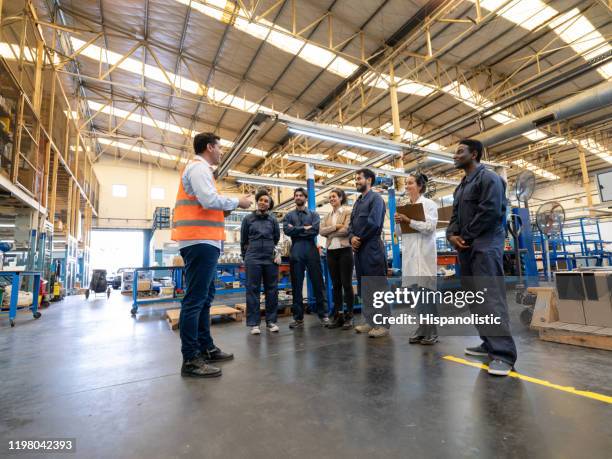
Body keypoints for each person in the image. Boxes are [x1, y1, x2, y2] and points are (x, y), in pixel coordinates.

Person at [172, 132, 252, 378]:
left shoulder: (203, 171)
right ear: (209, 147)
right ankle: (191, 358)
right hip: (198, 240)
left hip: (205, 240)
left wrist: (224, 210)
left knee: (205, 297)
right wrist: (237, 201)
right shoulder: (198, 168)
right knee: (195, 299)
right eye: (219, 147)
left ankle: (205, 347)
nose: (221, 152)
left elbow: (207, 204)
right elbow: (208, 200)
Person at [446, 138, 517, 376]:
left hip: (485, 245)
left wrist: (463, 235)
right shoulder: (461, 185)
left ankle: (503, 354)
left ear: (474, 154)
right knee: (474, 298)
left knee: (490, 299)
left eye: (459, 152)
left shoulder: (490, 179)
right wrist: (451, 235)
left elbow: (490, 212)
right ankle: (488, 343)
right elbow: (455, 216)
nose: (454, 156)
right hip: (466, 246)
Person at [395, 173, 439, 344]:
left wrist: (409, 220)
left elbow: (430, 227)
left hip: (424, 255)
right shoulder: (405, 207)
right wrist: (399, 221)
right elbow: (398, 234)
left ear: (420, 186)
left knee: (427, 296)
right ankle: (422, 328)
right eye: (406, 183)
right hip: (410, 257)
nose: (407, 186)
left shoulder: (429, 204)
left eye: (410, 183)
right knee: (417, 297)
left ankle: (432, 331)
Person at [348, 169, 390, 338]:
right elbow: (350, 225)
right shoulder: (358, 202)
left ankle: (383, 324)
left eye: (359, 178)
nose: (356, 181)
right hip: (359, 250)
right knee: (365, 287)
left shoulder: (376, 199)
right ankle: (370, 321)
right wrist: (351, 238)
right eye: (356, 179)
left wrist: (359, 239)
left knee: (377, 286)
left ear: (369, 180)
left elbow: (374, 223)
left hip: (371, 247)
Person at [283, 187, 330, 328]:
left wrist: (296, 229)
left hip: (311, 248)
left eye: (300, 195)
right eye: (296, 195)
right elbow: (287, 230)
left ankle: (324, 315)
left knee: (318, 282)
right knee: (296, 285)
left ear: (305, 198)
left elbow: (315, 231)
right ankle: (298, 318)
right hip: (296, 249)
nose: (298, 197)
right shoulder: (289, 215)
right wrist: (304, 228)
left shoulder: (314, 215)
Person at [240, 189, 281, 335]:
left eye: (266, 201)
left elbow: (276, 237)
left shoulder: (273, 220)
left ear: (269, 205)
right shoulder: (248, 219)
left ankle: (271, 321)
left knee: (272, 289)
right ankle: (254, 323)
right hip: (253, 256)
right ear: (257, 202)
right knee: (252, 289)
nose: (263, 203)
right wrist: (246, 256)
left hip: (269, 257)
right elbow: (243, 240)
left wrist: (271, 250)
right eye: (261, 200)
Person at [320, 189, 354, 329]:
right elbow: (321, 231)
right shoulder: (327, 216)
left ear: (341, 197)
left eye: (334, 196)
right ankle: (338, 315)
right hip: (331, 252)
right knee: (336, 285)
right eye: (330, 197)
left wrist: (330, 233)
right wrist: (335, 227)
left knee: (346, 284)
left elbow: (346, 230)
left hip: (345, 251)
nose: (331, 199)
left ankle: (349, 316)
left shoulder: (347, 212)